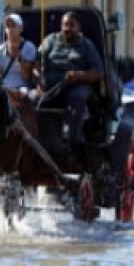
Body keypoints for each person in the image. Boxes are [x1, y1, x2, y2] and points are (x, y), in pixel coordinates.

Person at [37, 11, 104, 157]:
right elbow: (37, 62)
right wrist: (39, 80)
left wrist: (79, 75)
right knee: (37, 103)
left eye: (71, 25)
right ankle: (40, 142)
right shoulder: (50, 41)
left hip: (78, 85)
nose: (67, 28)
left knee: (77, 99)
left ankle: (74, 142)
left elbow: (98, 71)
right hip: (51, 87)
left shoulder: (87, 45)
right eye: (65, 25)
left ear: (78, 27)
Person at [0, 13, 37, 90]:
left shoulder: (29, 47)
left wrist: (18, 57)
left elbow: (27, 76)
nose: (10, 29)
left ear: (21, 28)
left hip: (22, 88)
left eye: (13, 26)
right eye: (8, 26)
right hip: (3, 89)